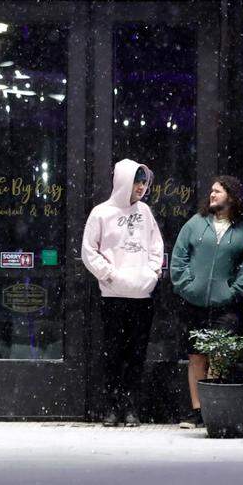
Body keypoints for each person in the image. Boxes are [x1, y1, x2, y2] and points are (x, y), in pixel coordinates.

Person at [169, 175, 243, 429]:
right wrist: (186, 285)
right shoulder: (196, 224)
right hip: (193, 300)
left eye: (218, 192)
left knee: (219, 355)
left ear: (232, 196)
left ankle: (214, 409)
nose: (212, 195)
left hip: (225, 303)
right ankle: (197, 410)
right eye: (211, 191)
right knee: (196, 355)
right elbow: (179, 256)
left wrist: (233, 291)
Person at [82, 159, 165, 427]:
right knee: (113, 354)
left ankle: (131, 408)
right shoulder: (100, 213)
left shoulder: (146, 213)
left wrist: (152, 275)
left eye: (144, 182)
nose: (141, 187)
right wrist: (109, 275)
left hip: (141, 297)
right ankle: (111, 407)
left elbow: (156, 247)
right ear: (123, 182)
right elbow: (88, 251)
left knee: (136, 355)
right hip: (112, 296)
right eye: (136, 181)